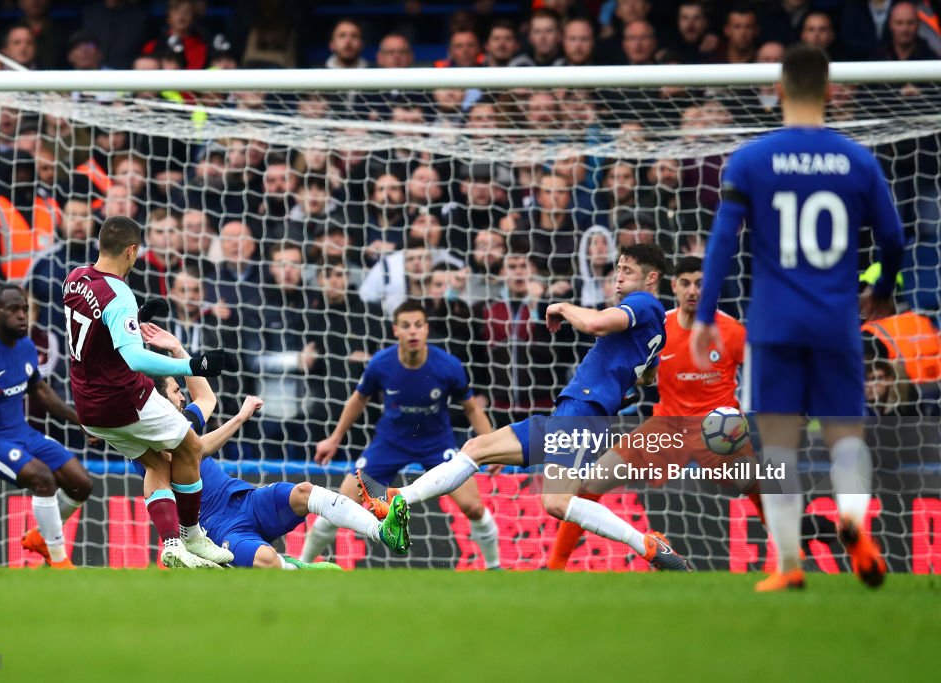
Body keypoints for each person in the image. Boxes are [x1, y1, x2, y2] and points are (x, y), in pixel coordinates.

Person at [691, 45, 906, 591]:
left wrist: (704, 314)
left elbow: (722, 241)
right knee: (844, 435)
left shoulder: (751, 160)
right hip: (836, 320)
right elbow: (894, 238)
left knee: (781, 443)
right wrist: (880, 290)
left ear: (780, 91)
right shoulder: (857, 159)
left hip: (774, 324)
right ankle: (855, 521)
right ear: (831, 92)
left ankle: (788, 565)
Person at [358, 244, 691, 571]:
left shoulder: (644, 303)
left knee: (557, 502)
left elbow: (597, 325)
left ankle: (645, 545)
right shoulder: (658, 330)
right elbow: (648, 375)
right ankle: (397, 496)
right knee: (477, 447)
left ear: (652, 279)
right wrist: (621, 381)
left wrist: (562, 306)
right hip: (572, 410)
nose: (618, 276)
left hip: (583, 412)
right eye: (618, 268)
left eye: (628, 271)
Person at [136, 322, 410, 568]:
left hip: (244, 499)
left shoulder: (183, 421)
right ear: (160, 400)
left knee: (304, 492)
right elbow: (195, 450)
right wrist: (240, 418)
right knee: (266, 560)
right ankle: (296, 568)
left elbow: (206, 398)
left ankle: (381, 530)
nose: (182, 397)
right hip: (214, 528)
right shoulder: (148, 440)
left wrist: (177, 349)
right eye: (175, 391)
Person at [547, 256, 756, 570]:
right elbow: (645, 371)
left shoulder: (732, 331)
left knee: (762, 485)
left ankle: (786, 566)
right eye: (685, 283)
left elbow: (760, 379)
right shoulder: (661, 326)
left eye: (700, 283)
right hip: (667, 429)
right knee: (590, 483)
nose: (693, 290)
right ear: (673, 285)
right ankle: (555, 567)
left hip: (717, 431)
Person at [62, 215, 232, 569]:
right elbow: (135, 358)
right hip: (124, 399)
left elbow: (98, 333)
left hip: (89, 407)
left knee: (155, 461)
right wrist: (192, 366)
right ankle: (192, 535)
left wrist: (134, 319)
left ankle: (171, 544)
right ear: (132, 250)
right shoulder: (118, 292)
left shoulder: (75, 278)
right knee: (190, 447)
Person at [300, 300, 501, 569]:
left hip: (436, 445)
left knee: (474, 508)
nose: (413, 332)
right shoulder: (381, 364)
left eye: (418, 325)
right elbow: (358, 399)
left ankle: (494, 567)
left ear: (427, 329)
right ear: (396, 330)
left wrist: (492, 445)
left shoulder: (449, 366)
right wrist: (334, 438)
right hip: (390, 444)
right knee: (339, 505)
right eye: (406, 326)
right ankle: (300, 564)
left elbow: (472, 409)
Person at [0, 285, 93, 568]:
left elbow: (40, 391)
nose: (23, 316)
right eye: (14, 310)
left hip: (22, 433)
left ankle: (41, 536)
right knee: (43, 478)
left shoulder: (25, 346)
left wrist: (79, 420)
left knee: (81, 484)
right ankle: (59, 562)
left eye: (25, 309)